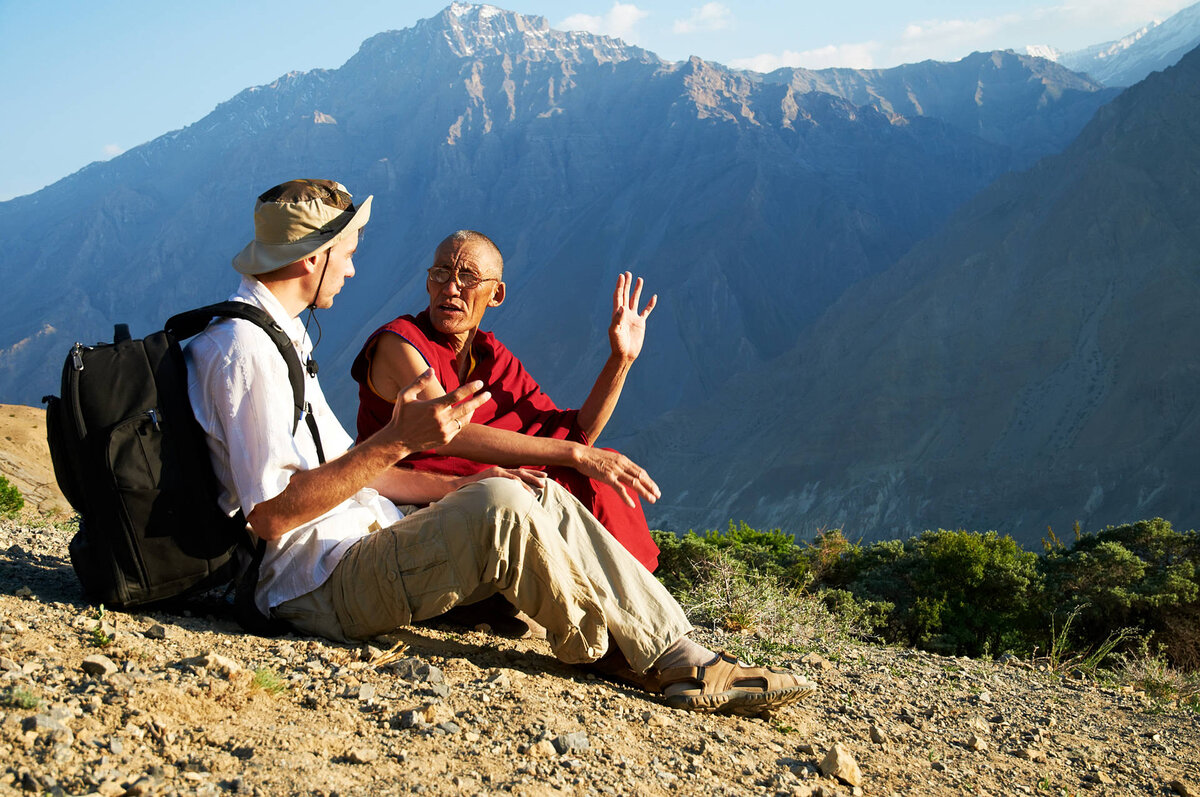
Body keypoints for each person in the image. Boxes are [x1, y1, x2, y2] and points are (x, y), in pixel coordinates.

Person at [184, 178, 815, 716]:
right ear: (310, 257)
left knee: (529, 496)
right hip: (310, 587)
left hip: (358, 545)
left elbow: (359, 477)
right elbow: (270, 515)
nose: (352, 267)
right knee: (504, 505)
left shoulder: (281, 341)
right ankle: (637, 654)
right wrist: (398, 442)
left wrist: (450, 484)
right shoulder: (246, 352)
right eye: (345, 252)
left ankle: (684, 653)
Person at [352, 230, 660, 571]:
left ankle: (625, 591)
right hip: (409, 501)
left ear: (496, 294)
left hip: (482, 493)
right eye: (440, 273)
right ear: (428, 283)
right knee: (575, 465)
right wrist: (577, 454)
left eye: (467, 277)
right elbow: (445, 429)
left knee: (599, 475)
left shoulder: (490, 357)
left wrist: (621, 360)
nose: (450, 288)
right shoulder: (400, 343)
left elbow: (573, 432)